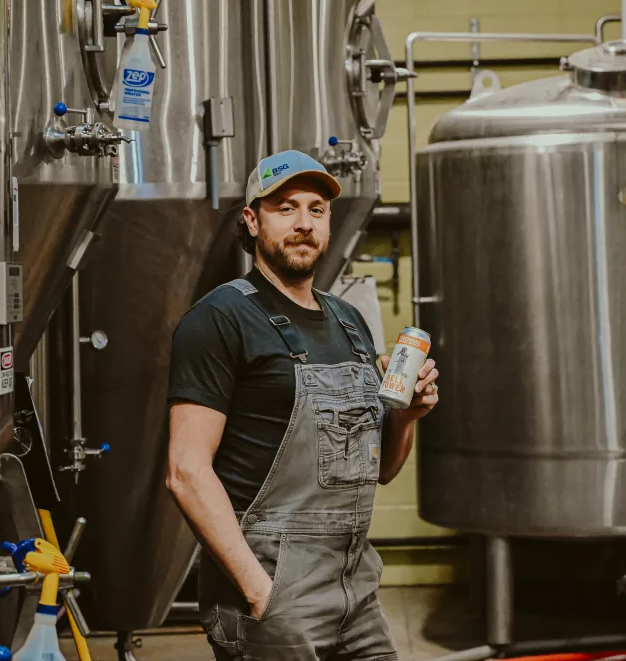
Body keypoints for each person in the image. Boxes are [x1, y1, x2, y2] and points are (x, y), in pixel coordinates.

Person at [166, 149, 439, 661]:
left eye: (316, 209)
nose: (303, 223)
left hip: (355, 591)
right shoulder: (219, 320)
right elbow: (185, 471)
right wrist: (259, 592)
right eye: (285, 207)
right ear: (252, 220)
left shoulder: (350, 321)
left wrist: (406, 417)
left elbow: (379, 471)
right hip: (274, 596)